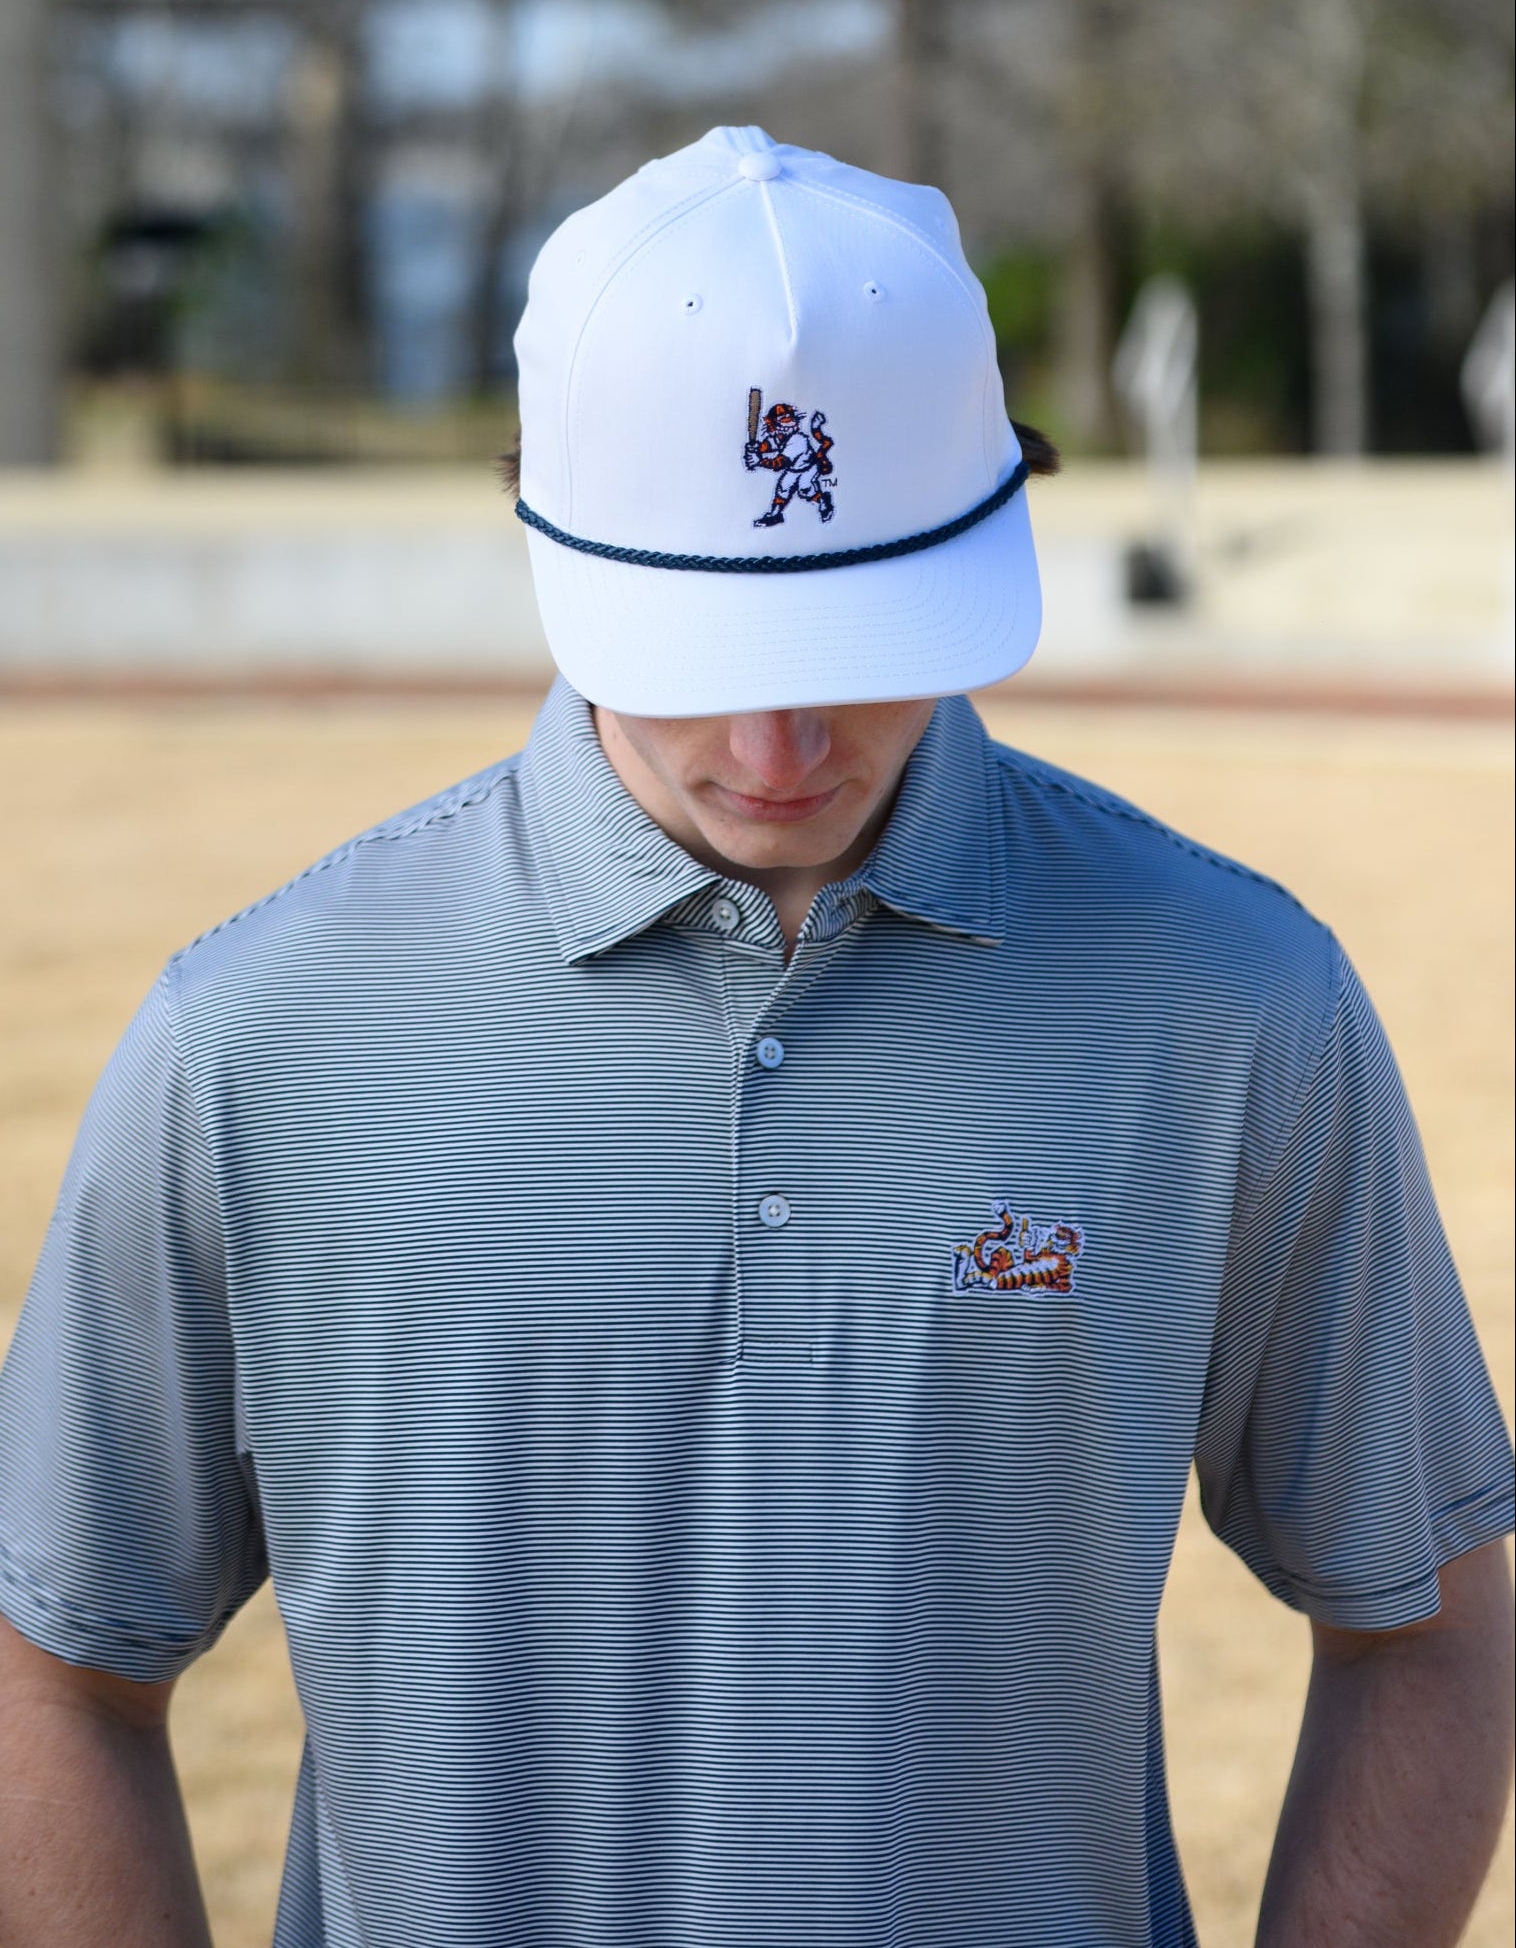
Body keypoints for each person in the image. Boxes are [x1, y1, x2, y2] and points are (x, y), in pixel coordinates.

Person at [0, 125, 1510, 1948]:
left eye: (861, 635)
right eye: (700, 651)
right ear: (546, 532)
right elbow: (55, 1672)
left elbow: (1427, 1628)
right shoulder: (252, 1042)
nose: (779, 746)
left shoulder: (1239, 1003)